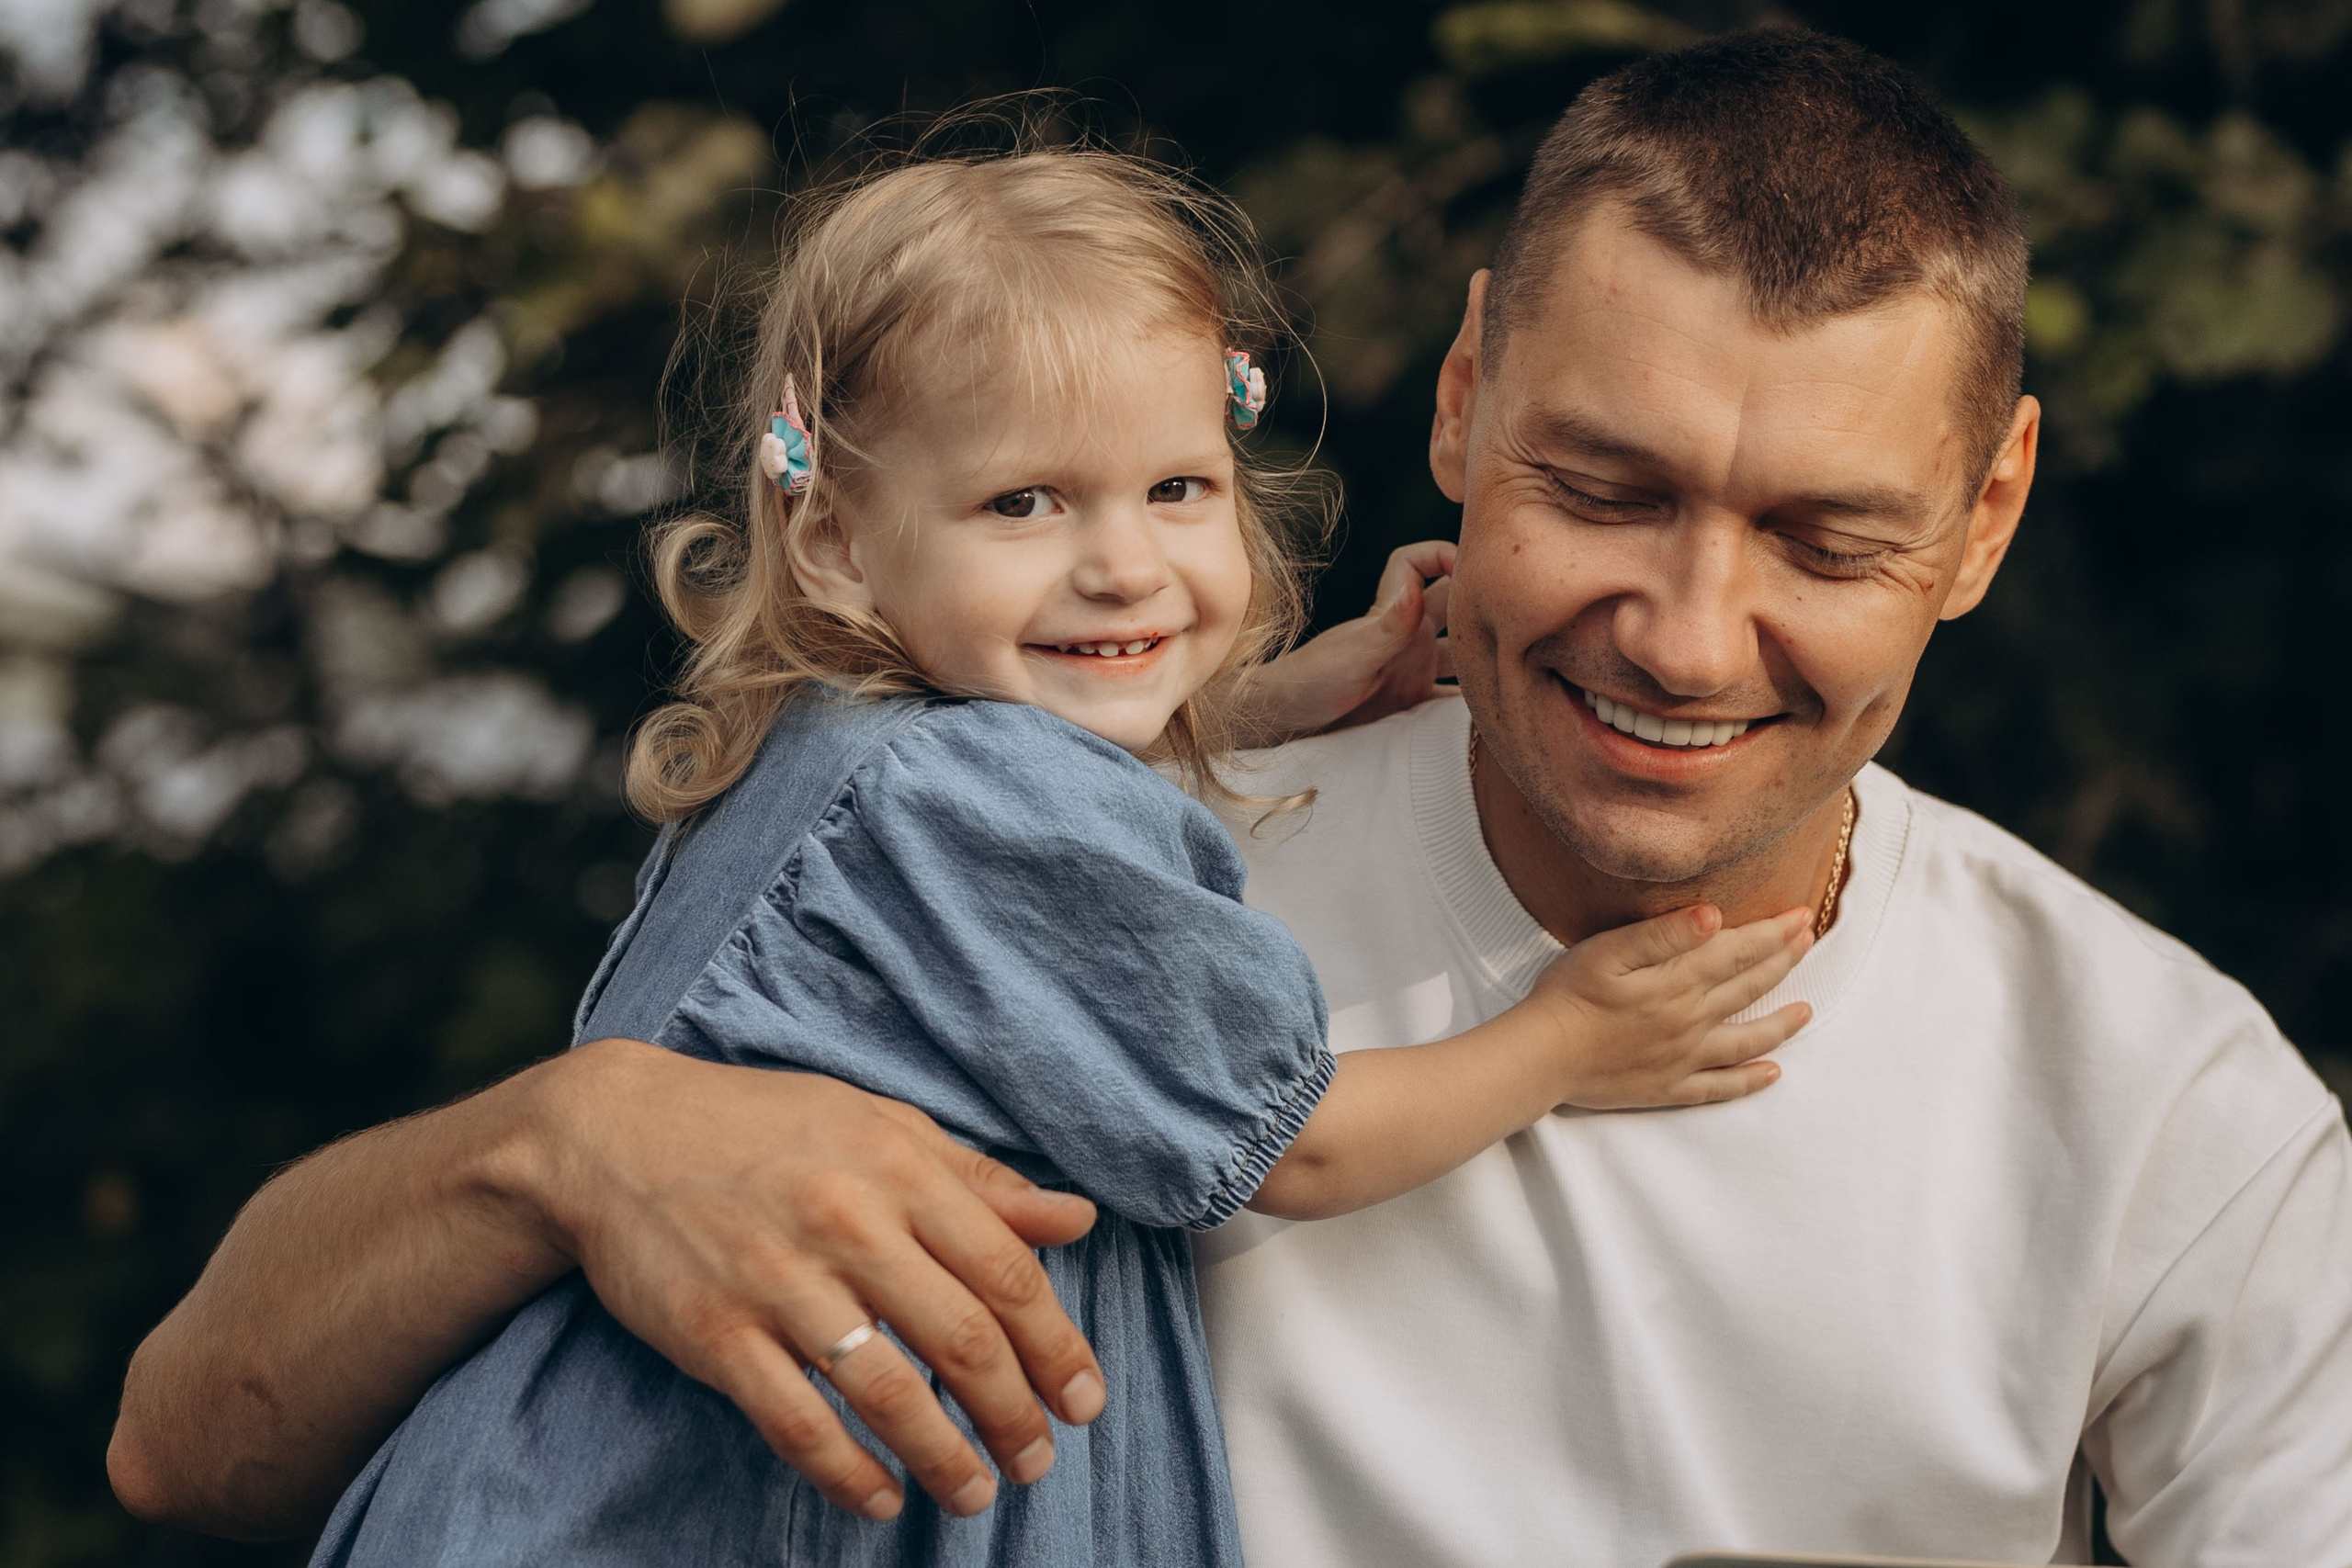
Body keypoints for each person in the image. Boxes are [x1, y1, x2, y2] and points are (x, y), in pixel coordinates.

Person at [110, 28, 2352, 1568]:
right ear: (1460, 399)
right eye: (1601, 487)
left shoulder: (2166, 1111)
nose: (1685, 633)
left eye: (1821, 538)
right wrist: (562, 1140)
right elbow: (184, 1442)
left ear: (1984, 515)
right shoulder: (1070, 850)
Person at [295, 143, 1813, 1567]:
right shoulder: (983, 802)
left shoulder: (851, 741)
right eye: (1023, 502)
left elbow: (1040, 778)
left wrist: (1269, 700)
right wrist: (1562, 1041)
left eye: (1178, 488)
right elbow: (1289, 1144)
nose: (1124, 563)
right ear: (835, 539)